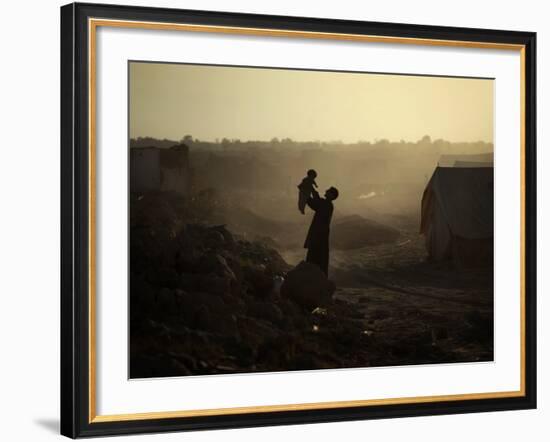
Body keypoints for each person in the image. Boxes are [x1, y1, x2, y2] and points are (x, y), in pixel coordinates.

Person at [304, 186, 339, 276]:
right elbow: (318, 202)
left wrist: (307, 195)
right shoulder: (327, 204)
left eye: (328, 191)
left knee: (314, 255)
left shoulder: (326, 205)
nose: (326, 190)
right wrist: (312, 192)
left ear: (331, 195)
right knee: (319, 256)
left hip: (319, 234)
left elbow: (315, 204)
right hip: (321, 233)